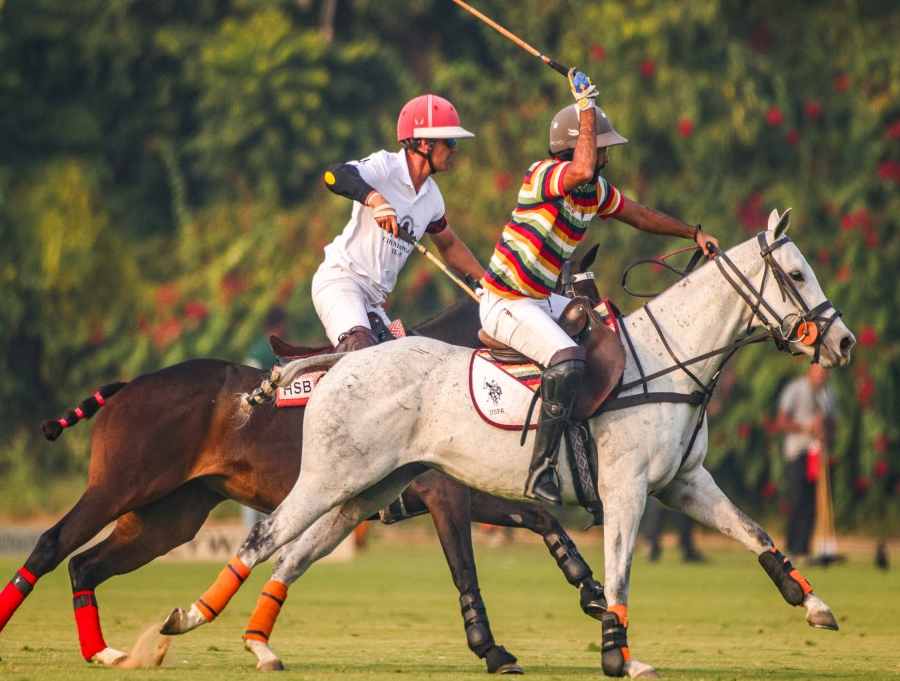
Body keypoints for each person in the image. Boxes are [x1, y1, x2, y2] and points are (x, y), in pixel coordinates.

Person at [478, 70, 720, 505]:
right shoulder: (544, 176)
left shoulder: (593, 193)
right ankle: (540, 469)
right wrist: (586, 105)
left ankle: (596, 453)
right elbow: (584, 165)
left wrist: (691, 232)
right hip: (505, 300)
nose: (605, 158)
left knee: (610, 334)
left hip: (539, 298)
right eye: (601, 147)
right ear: (574, 145)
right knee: (568, 359)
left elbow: (640, 214)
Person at [313, 94, 487, 352]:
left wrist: (489, 283)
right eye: (449, 140)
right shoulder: (386, 166)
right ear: (425, 143)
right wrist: (375, 199)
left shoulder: (433, 197)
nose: (454, 149)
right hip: (341, 281)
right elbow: (335, 175)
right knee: (360, 350)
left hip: (374, 304)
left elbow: (449, 245)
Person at [777, 363, 836, 559]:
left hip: (818, 452)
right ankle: (791, 545)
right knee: (797, 498)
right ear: (810, 371)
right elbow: (782, 421)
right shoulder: (795, 389)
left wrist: (825, 435)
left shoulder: (828, 395)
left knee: (813, 501)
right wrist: (807, 428)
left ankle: (804, 546)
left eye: (825, 373)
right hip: (797, 451)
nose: (822, 376)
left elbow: (832, 424)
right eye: (819, 372)